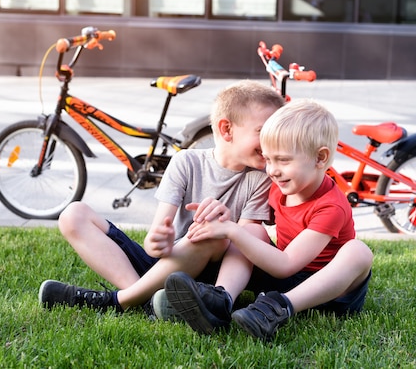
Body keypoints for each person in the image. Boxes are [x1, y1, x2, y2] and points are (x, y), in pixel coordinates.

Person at [38, 80, 284, 318]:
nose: (272, 142)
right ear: (226, 129)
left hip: (211, 279)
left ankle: (119, 301)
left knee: (212, 235)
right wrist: (159, 242)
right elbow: (155, 240)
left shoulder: (261, 179)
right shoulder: (186, 162)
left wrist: (225, 225)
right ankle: (145, 300)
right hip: (166, 262)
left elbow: (247, 244)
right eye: (264, 132)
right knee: (73, 214)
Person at [163, 99, 374, 341]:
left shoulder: (331, 206)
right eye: (268, 159)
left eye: (283, 160)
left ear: (320, 158)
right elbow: (261, 243)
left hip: (329, 292)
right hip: (288, 279)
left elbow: (285, 264)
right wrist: (227, 219)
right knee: (252, 230)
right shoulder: (279, 188)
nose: (272, 170)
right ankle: (221, 299)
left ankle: (277, 308)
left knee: (359, 251)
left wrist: (232, 231)